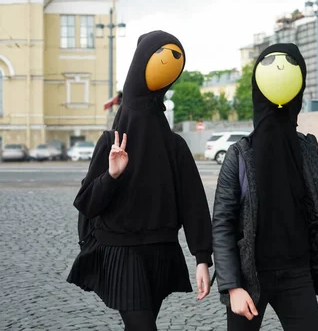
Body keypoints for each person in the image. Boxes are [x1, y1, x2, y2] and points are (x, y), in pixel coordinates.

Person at [67, 30, 213, 331]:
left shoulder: (175, 146)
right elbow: (86, 204)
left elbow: (194, 204)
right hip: (121, 253)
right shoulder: (111, 142)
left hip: (161, 252)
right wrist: (112, 175)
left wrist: (202, 258)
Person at [212, 43, 318, 331]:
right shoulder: (240, 154)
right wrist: (232, 287)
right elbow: (223, 224)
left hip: (296, 275)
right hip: (249, 277)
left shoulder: (307, 149)